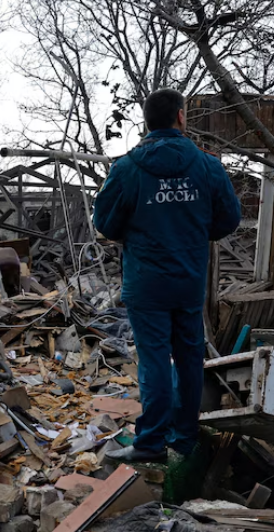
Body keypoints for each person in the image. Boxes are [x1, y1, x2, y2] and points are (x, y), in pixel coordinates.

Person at [93, 88, 241, 463]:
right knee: (189, 358)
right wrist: (194, 232)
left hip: (146, 282)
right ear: (180, 117)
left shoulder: (127, 168)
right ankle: (185, 438)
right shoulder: (207, 166)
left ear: (147, 122)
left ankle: (150, 444)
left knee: (155, 358)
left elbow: (105, 223)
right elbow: (230, 218)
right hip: (188, 280)